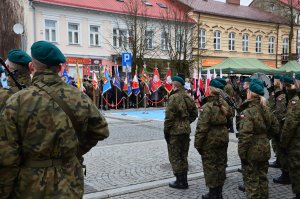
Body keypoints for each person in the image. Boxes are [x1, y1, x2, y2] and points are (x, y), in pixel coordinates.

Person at [0, 41, 109, 198]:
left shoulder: (17, 101)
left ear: (32, 67)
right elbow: (100, 130)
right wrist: (74, 151)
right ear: (59, 68)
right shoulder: (79, 96)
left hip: (31, 186)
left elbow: (7, 157)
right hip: (70, 182)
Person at [238, 78, 279, 199]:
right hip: (264, 148)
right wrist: (265, 137)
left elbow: (245, 135)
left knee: (252, 182)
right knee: (262, 179)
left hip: (252, 150)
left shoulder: (248, 111)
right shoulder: (266, 109)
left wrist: (242, 154)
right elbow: (276, 128)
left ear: (250, 93)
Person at [194, 79, 233, 199]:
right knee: (221, 165)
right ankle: (219, 193)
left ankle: (213, 194)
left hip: (210, 140)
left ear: (210, 90)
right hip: (223, 138)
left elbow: (202, 128)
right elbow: (229, 121)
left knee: (210, 167)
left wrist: (198, 144)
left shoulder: (207, 107)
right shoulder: (226, 104)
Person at [164, 75, 198, 189]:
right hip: (185, 130)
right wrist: (186, 122)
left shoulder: (173, 98)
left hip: (175, 131)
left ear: (174, 86)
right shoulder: (188, 97)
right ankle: (184, 180)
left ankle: (180, 181)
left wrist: (166, 131)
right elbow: (195, 113)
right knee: (184, 155)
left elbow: (169, 118)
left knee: (175, 156)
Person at [280, 74, 300, 199]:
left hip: (296, 143)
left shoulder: (296, 102)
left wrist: (283, 143)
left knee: (297, 170)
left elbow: (289, 125)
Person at [270, 75, 288, 177]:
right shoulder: (276, 93)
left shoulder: (281, 96)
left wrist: (274, 121)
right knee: (276, 145)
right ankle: (279, 161)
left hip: (280, 125)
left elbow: (280, 113)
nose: (273, 82)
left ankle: (285, 171)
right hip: (277, 125)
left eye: (275, 80)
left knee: (281, 148)